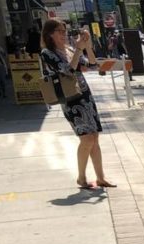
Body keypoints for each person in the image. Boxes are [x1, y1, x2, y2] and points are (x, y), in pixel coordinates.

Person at [40, 20, 117, 190]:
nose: (63, 34)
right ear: (50, 34)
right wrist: (78, 49)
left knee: (94, 136)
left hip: (85, 95)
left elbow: (92, 65)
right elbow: (68, 70)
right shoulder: (47, 53)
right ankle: (81, 177)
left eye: (64, 30)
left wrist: (87, 45)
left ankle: (100, 177)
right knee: (86, 138)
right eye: (59, 31)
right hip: (71, 99)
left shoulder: (68, 49)